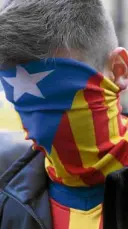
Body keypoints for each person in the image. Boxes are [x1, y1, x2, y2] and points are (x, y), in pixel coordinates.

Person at [0, 0, 128, 229]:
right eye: (23, 105)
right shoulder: (7, 196)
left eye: (62, 100)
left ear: (118, 70)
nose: (37, 129)